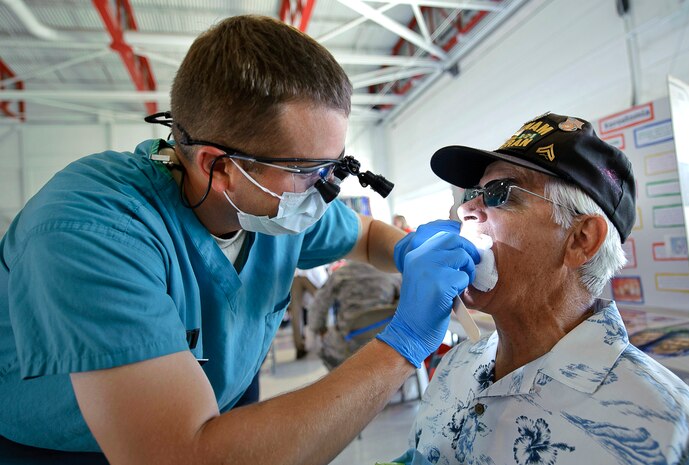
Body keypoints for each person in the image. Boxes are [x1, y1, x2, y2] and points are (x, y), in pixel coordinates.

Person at [0, 15, 479, 464]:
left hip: (223, 397)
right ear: (218, 165)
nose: (325, 190)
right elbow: (179, 454)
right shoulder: (90, 231)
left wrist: (406, 250)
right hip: (71, 445)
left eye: (332, 167)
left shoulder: (273, 207)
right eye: (307, 170)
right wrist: (404, 344)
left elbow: (368, 235)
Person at [393, 112, 689, 464]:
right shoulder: (453, 366)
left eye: (498, 193)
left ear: (581, 240)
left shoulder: (668, 427)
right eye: (472, 193)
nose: (465, 209)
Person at [308, 259, 401, 370]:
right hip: (386, 343)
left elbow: (318, 307)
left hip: (347, 346)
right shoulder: (394, 274)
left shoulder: (341, 274)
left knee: (325, 347)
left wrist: (320, 329)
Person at [289, 265, 329, 359]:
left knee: (296, 314)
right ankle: (326, 340)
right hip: (312, 270)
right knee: (322, 306)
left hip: (295, 273)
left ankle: (299, 348)